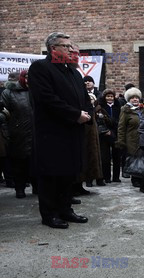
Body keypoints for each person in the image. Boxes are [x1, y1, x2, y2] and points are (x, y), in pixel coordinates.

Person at [28, 32, 91, 229]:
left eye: (71, 46)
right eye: (66, 46)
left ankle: (65, 209)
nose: (71, 50)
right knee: (51, 175)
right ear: (53, 48)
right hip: (52, 133)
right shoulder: (40, 68)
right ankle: (49, 214)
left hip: (73, 131)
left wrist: (88, 114)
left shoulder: (73, 72)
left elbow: (85, 98)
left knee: (69, 173)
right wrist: (75, 114)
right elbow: (47, 99)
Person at [0, 70, 37, 198]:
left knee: (35, 162)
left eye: (30, 78)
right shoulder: (9, 93)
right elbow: (3, 112)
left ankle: (37, 188)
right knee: (18, 163)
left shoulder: (36, 91)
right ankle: (19, 188)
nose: (28, 81)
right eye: (25, 78)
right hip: (17, 133)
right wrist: (7, 131)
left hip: (36, 132)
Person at [116, 87, 144, 188]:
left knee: (142, 159)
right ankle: (135, 179)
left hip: (142, 139)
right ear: (129, 100)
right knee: (134, 159)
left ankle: (142, 178)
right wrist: (121, 141)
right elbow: (121, 127)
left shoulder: (143, 109)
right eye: (132, 98)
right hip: (131, 140)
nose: (135, 99)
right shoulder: (125, 110)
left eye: (136, 97)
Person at [98, 89, 122, 182]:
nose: (110, 98)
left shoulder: (118, 106)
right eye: (108, 96)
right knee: (105, 157)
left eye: (111, 96)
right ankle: (106, 177)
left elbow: (120, 120)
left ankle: (116, 177)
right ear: (104, 97)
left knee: (116, 156)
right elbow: (100, 121)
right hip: (105, 134)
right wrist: (105, 130)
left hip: (116, 133)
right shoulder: (101, 107)